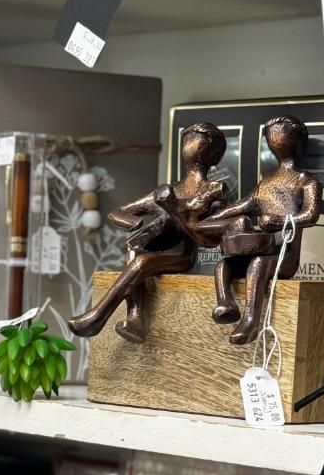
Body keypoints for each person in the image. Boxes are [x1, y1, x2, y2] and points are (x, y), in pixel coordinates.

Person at [69, 120, 228, 343]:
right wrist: (135, 224)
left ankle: (98, 316)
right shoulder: (168, 190)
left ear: (214, 152)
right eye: (188, 138)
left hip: (181, 255)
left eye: (197, 139)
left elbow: (210, 240)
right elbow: (118, 212)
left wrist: (177, 212)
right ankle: (135, 320)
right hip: (155, 250)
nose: (190, 144)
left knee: (141, 262)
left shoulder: (213, 191)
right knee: (134, 252)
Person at [197, 115, 321, 344]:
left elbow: (310, 216)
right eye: (271, 134)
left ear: (297, 139)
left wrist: (280, 221)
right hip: (260, 249)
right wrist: (213, 216)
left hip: (285, 256)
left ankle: (252, 320)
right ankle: (226, 303)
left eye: (281, 132)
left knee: (258, 263)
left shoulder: (306, 180)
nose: (275, 138)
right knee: (225, 264)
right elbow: (242, 205)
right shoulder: (266, 183)